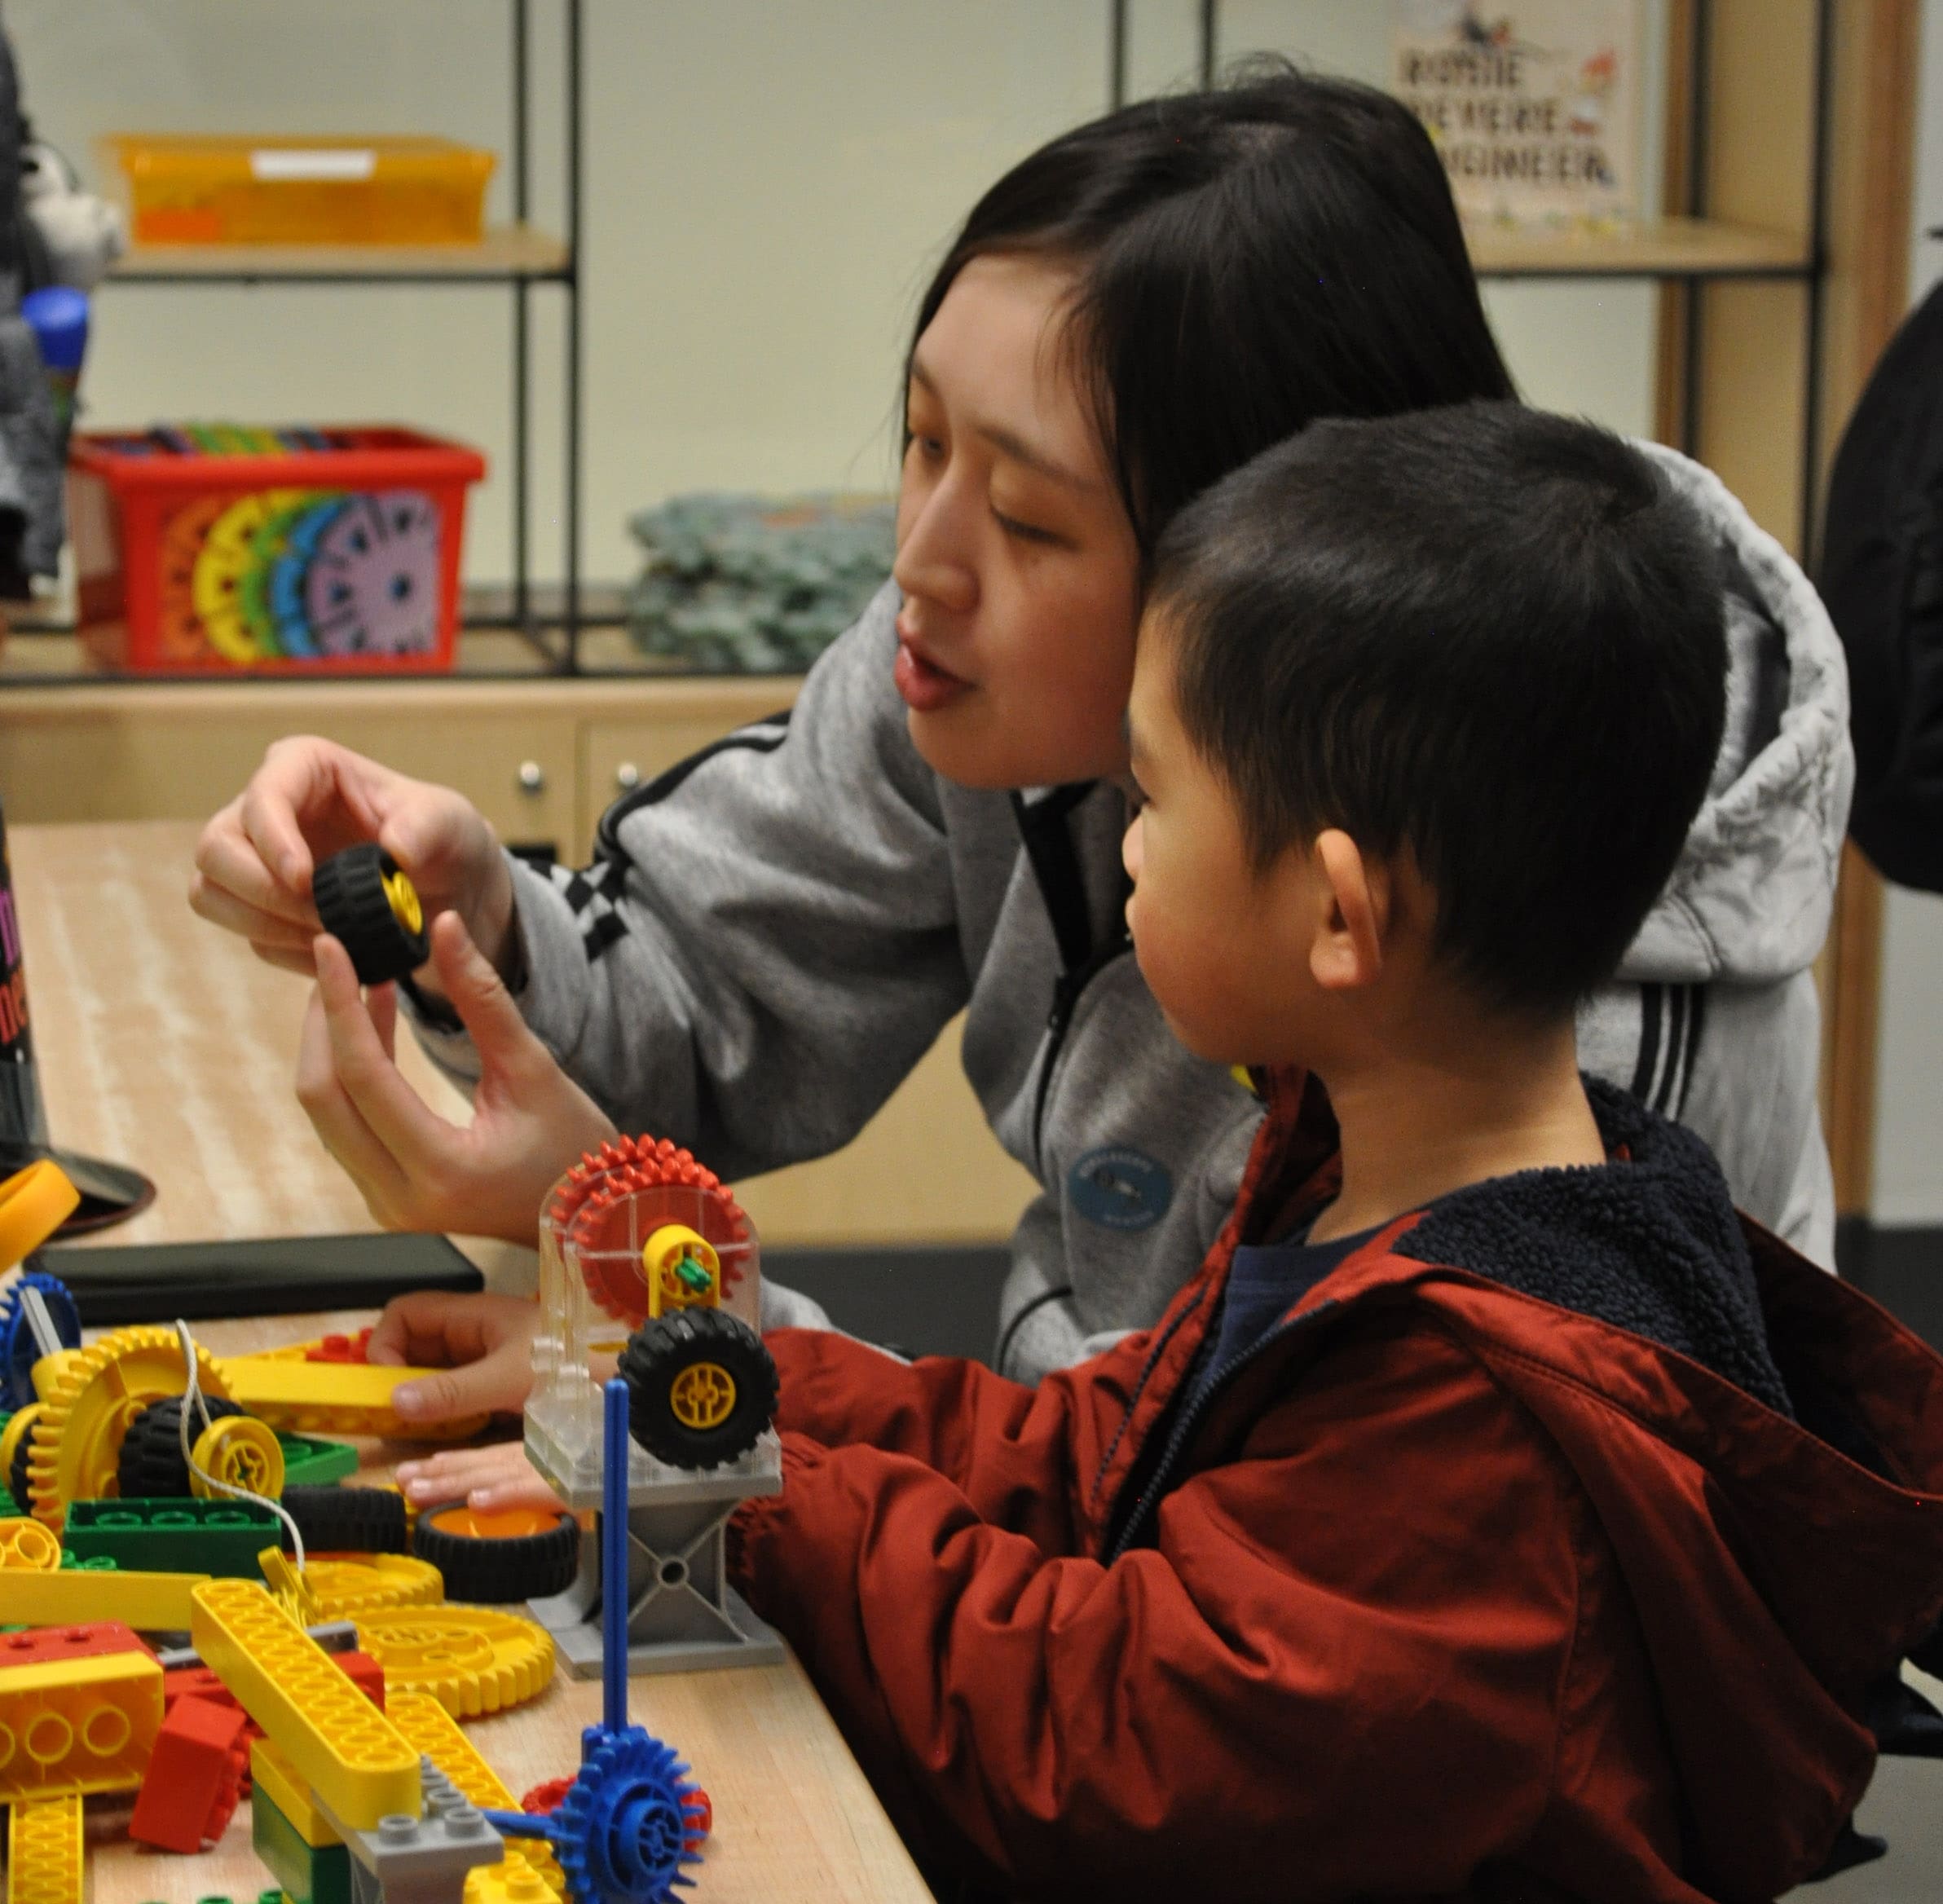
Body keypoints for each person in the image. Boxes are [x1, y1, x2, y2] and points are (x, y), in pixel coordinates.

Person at [190, 70, 1851, 1435]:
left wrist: (675, 1313)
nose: (920, 560)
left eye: (1034, 520)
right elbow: (698, 1001)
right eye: (922, 440)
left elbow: (1217, 1531)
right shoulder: (973, 656)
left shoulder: (1533, 1010)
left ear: (1269, 558)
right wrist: (468, 917)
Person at [718, 406, 1943, 1902]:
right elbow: (1097, 1457)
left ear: (1338, 919)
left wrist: (761, 1499)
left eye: (1154, 799)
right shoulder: (1379, 1189)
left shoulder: (1483, 1430)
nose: (1128, 844)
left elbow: (1110, 1739)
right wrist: (736, 1386)